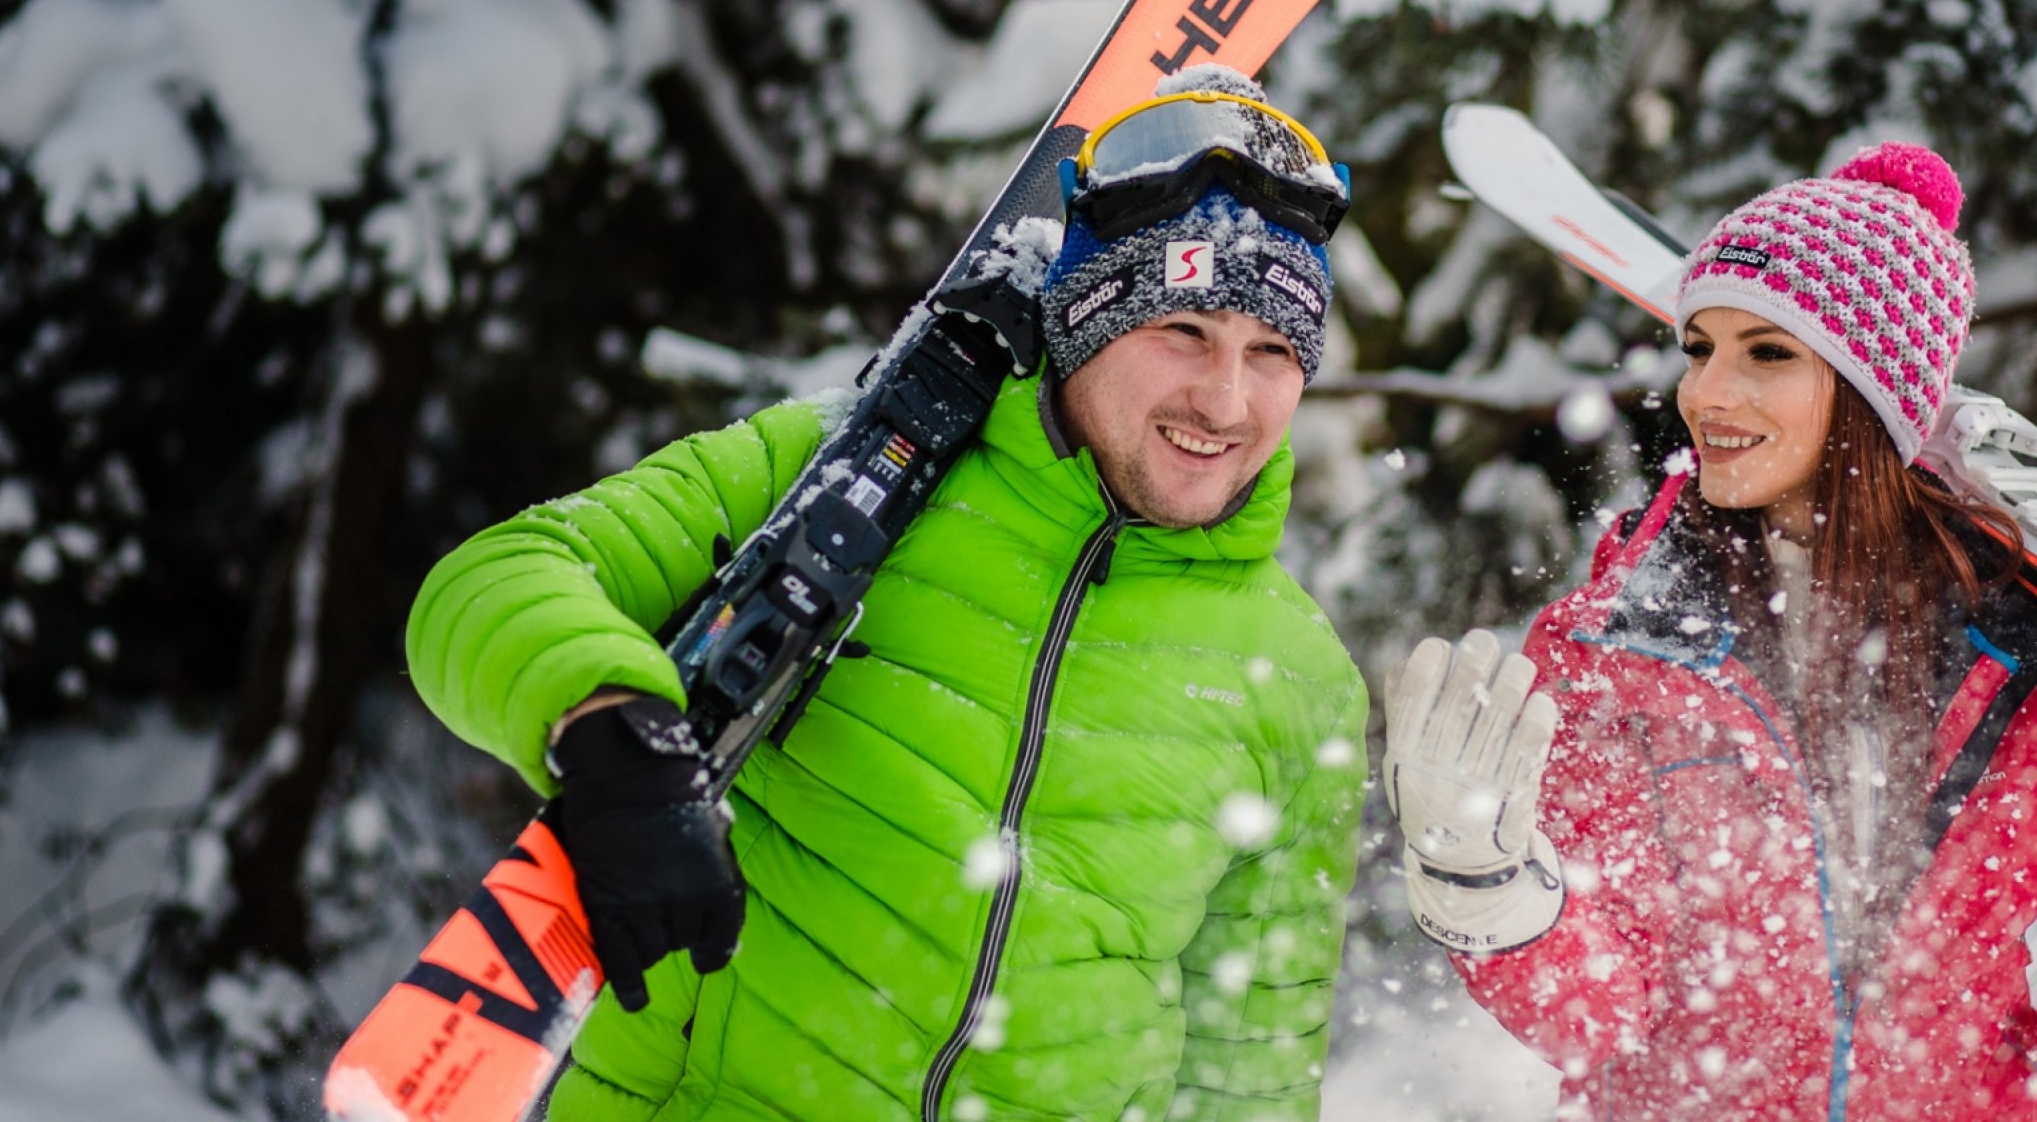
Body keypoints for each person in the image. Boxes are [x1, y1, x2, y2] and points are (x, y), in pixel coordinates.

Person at [1380, 143, 2037, 1119]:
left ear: (1871, 397)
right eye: (1697, 347)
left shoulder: (2034, 653)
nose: (1706, 390)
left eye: (1764, 353)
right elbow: (1596, 1011)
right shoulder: (1618, 647)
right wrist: (1489, 889)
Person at [406, 66, 1366, 1121]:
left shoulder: (1301, 679)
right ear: (1085, 323)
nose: (1225, 400)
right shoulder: (847, 472)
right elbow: (492, 581)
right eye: (1182, 334)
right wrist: (607, 733)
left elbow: (1250, 1070)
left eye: (1273, 353)